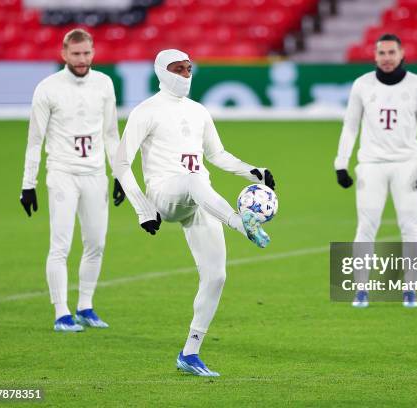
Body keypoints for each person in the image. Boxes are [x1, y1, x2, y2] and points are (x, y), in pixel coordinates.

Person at [113, 49, 275, 377]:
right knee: (192, 179)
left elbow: (217, 153)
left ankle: (190, 352)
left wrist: (252, 171)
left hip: (200, 200)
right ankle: (241, 224)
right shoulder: (146, 111)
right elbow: (120, 162)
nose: (185, 74)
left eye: (188, 68)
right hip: (165, 195)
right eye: (178, 69)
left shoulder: (199, 111)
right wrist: (143, 209)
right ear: (162, 72)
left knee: (216, 276)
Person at [19, 28, 125, 332]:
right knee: (60, 245)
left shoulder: (104, 84)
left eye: (87, 53)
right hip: (62, 173)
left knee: (96, 243)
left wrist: (119, 175)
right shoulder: (48, 88)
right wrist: (29, 184)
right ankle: (61, 312)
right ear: (64, 54)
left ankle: (86, 306)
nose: (82, 59)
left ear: (93, 52)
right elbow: (34, 139)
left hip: (95, 174)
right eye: (76, 54)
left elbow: (110, 134)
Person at [334, 33, 417, 308]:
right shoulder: (362, 85)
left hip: (407, 165)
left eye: (392, 53)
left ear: (402, 54)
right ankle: (361, 290)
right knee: (366, 227)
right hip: (371, 164)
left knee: (410, 227)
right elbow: (350, 126)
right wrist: (340, 163)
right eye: (382, 53)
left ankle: (410, 290)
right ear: (375, 56)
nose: (387, 58)